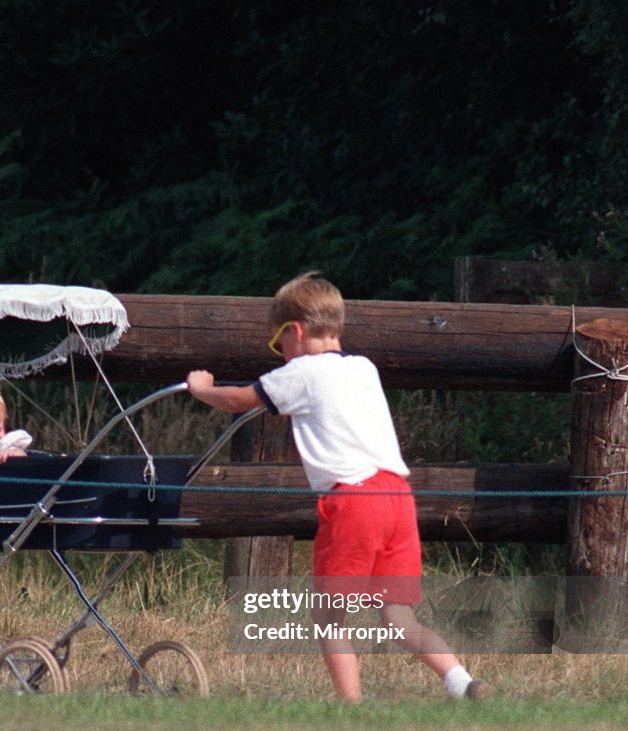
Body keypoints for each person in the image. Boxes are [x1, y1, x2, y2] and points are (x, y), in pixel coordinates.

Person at [186, 271, 494, 702]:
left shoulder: (302, 373)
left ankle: (351, 706)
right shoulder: (363, 368)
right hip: (397, 498)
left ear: (293, 332)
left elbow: (240, 401)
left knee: (329, 617)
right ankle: (460, 682)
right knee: (398, 616)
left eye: (278, 345)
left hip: (354, 500)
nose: (280, 355)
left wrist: (204, 390)